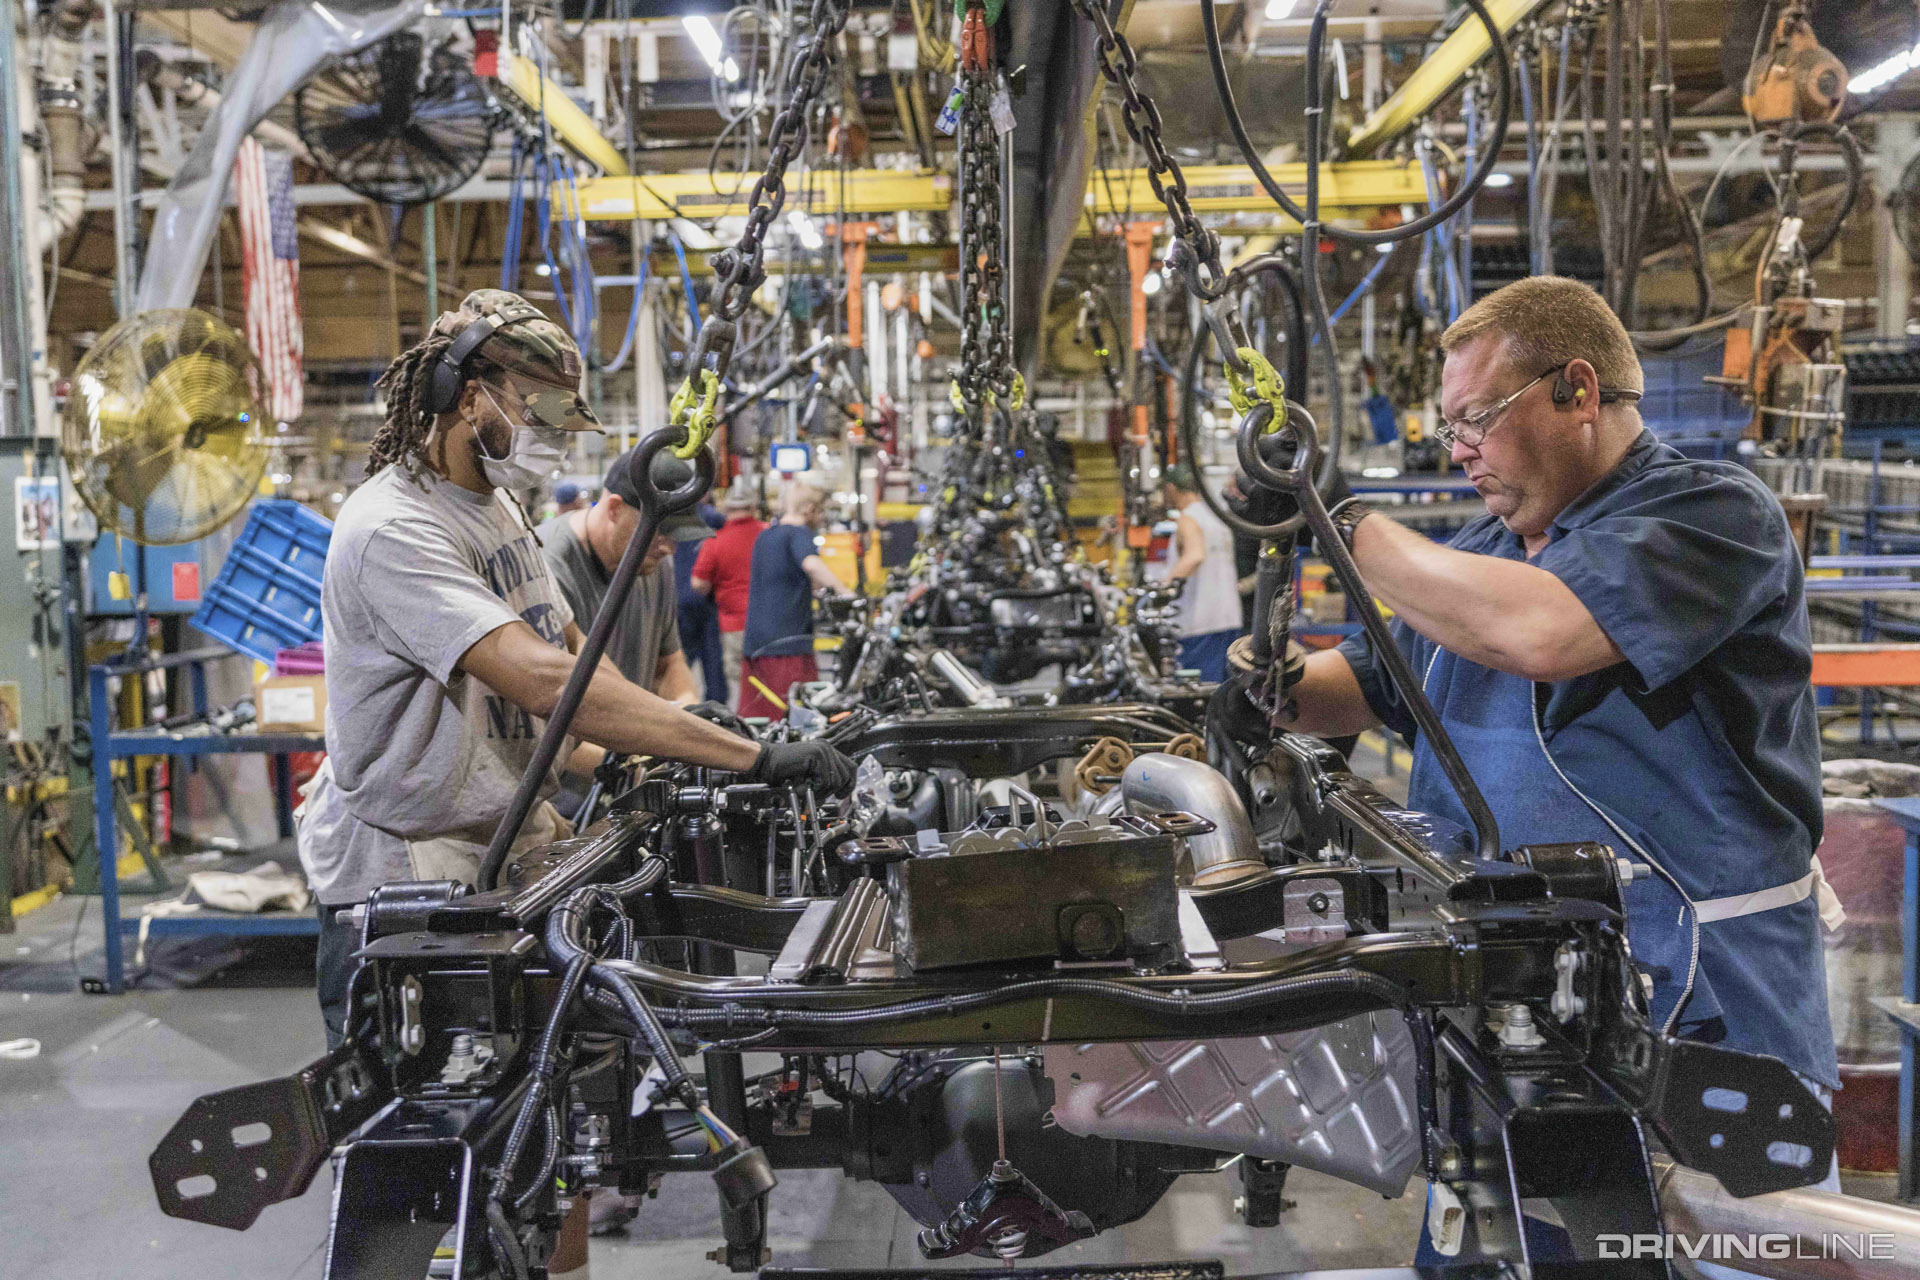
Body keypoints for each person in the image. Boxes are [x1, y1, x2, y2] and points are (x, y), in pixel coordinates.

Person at [1258, 277, 1838, 1149]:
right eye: (1452, 426)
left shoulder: (1714, 515)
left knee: (1722, 1247)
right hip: (1519, 1003)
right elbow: (1358, 687)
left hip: (1704, 1007)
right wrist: (1263, 681)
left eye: (1476, 417)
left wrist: (1333, 511)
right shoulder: (1485, 552)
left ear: (1576, 391)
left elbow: (1540, 630)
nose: (1459, 450)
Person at [298, 289, 854, 1048]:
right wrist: (754, 755)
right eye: (540, 411)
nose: (556, 436)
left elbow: (574, 653)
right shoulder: (392, 527)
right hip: (405, 867)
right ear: (467, 398)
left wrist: (675, 732)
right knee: (425, 1130)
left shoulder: (499, 509)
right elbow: (547, 683)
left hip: (501, 837)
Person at [739, 478, 847, 718]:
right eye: (821, 512)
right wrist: (846, 593)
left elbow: (786, 576)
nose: (821, 519)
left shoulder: (766, 536)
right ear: (810, 509)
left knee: (761, 718)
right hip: (787, 645)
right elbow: (811, 564)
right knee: (799, 717)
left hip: (756, 644)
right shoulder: (799, 533)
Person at [1160, 463, 1243, 682]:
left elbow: (1194, 556)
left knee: (1199, 699)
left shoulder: (1187, 519)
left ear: (1170, 488)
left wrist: (1161, 590)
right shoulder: (1217, 518)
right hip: (1228, 619)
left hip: (1199, 624)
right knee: (1222, 695)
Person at [691, 480, 767, 709]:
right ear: (753, 507)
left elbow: (698, 583)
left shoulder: (715, 540)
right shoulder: (768, 534)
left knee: (740, 682)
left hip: (734, 623)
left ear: (726, 509)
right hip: (769, 622)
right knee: (769, 680)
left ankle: (748, 727)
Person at [673, 496, 730, 705]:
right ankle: (716, 708)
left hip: (678, 598)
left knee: (679, 659)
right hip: (705, 597)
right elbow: (723, 522)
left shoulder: (670, 518)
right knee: (712, 657)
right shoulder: (710, 517)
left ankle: (680, 702)